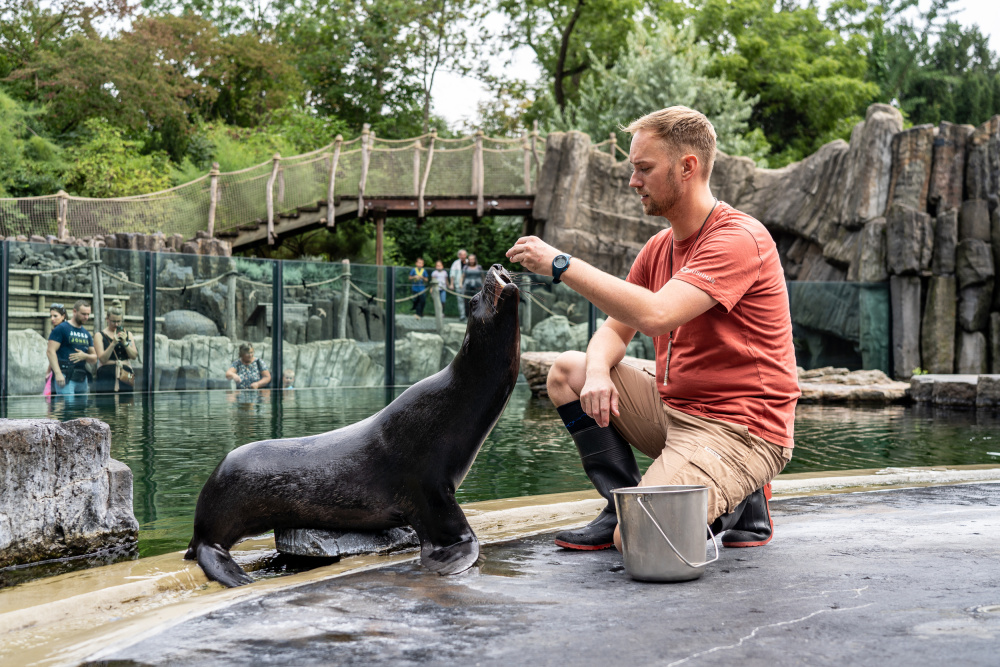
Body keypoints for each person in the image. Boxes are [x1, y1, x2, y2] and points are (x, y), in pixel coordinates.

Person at [506, 106, 799, 553]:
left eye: (644, 168)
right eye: (633, 169)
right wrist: (600, 371)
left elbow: (657, 314)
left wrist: (561, 264)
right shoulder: (659, 247)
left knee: (641, 541)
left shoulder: (739, 237)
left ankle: (736, 492)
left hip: (740, 429)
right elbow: (613, 332)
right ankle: (619, 503)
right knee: (569, 371)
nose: (633, 181)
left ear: (687, 167)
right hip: (675, 413)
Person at [46, 299, 97, 396]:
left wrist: (84, 356)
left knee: (82, 410)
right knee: (68, 408)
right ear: (74, 311)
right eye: (83, 314)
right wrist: (57, 373)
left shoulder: (86, 334)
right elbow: (50, 351)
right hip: (65, 376)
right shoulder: (61, 329)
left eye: (88, 314)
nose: (86, 317)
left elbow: (94, 358)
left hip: (82, 377)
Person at [94, 300, 138, 393]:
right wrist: (113, 343)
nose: (116, 324)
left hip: (125, 374)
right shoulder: (99, 335)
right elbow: (102, 359)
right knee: (106, 404)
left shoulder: (128, 334)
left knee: (127, 403)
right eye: (113, 321)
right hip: (106, 375)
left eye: (119, 321)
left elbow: (134, 356)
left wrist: (125, 343)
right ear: (107, 319)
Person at [43, 303, 67, 396]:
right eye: (51, 316)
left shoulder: (63, 330)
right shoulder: (56, 330)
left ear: (63, 316)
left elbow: (54, 353)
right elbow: (53, 353)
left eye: (55, 316)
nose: (52, 319)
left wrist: (49, 370)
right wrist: (49, 370)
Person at [449, 249, 468, 321]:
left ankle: (469, 316)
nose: (463, 256)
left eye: (464, 254)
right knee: (460, 300)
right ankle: (462, 316)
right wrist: (451, 284)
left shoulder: (469, 262)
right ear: (459, 255)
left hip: (468, 285)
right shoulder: (455, 263)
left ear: (466, 255)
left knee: (469, 300)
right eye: (461, 254)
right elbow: (452, 274)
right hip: (458, 285)